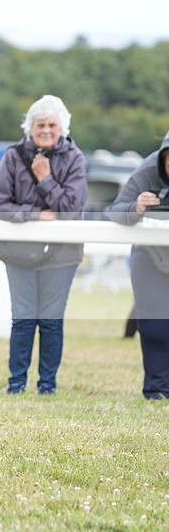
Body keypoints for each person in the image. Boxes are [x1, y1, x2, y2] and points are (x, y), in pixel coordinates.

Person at [0, 95, 88, 395]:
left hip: (62, 253)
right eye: (40, 125)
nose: (46, 130)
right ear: (30, 127)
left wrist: (46, 180)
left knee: (51, 320)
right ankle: (16, 383)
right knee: (23, 318)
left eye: (52, 125)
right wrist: (36, 214)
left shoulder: (75, 158)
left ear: (62, 128)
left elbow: (71, 208)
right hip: (20, 251)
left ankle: (47, 385)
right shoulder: (13, 156)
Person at [108, 130, 169, 400]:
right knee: (155, 327)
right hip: (150, 254)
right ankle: (156, 390)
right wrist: (137, 207)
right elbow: (115, 210)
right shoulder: (147, 169)